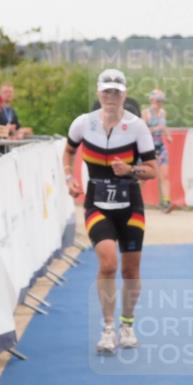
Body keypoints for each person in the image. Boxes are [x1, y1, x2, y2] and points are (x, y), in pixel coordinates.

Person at [64, 68, 158, 354]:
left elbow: (153, 171)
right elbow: (68, 151)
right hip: (97, 204)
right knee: (108, 264)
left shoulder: (137, 127)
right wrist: (69, 176)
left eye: (116, 92)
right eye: (106, 91)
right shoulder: (83, 124)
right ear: (98, 93)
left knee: (130, 270)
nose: (111, 97)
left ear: (124, 95)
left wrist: (130, 170)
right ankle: (107, 329)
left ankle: (127, 325)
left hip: (130, 206)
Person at [143, 89, 175, 212]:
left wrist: (168, 135)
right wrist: (157, 128)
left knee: (165, 175)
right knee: (143, 176)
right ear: (152, 100)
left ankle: (166, 202)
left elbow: (164, 126)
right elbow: (143, 131)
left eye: (162, 101)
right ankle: (137, 202)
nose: (160, 103)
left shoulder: (162, 113)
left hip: (160, 146)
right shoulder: (145, 113)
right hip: (148, 148)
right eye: (158, 100)